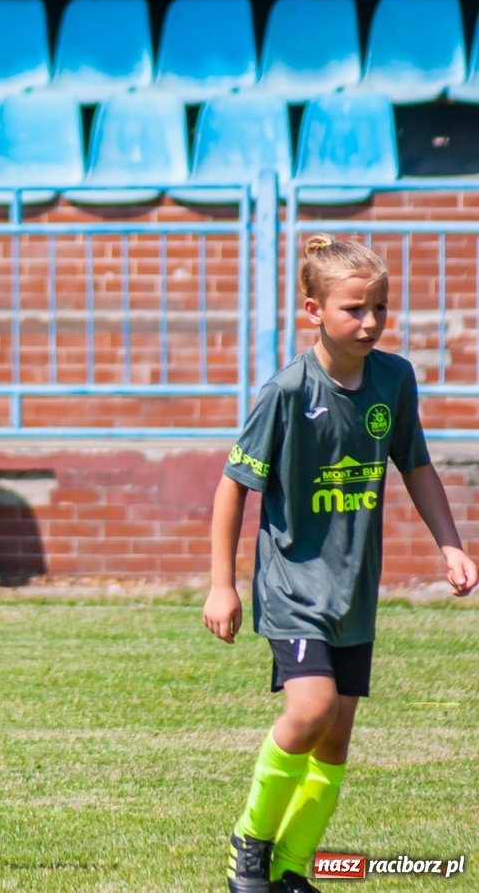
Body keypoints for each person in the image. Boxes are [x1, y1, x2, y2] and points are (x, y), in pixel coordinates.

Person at [204, 234, 476, 893]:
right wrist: (222, 585)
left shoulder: (394, 378)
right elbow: (233, 485)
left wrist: (451, 544)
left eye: (380, 307)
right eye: (355, 309)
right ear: (312, 311)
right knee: (311, 708)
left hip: (354, 589)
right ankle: (251, 842)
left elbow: (414, 464)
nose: (372, 322)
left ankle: (293, 868)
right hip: (293, 585)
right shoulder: (289, 391)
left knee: (337, 737)